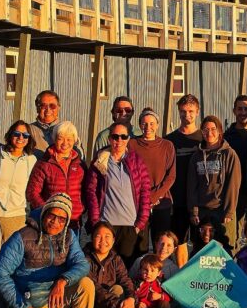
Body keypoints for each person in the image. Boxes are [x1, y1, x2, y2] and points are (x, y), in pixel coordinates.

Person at [0, 193, 96, 308]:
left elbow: (82, 264)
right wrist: (22, 307)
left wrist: (63, 280)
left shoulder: (69, 236)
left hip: (56, 296)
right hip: (30, 303)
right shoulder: (23, 237)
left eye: (62, 219)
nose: (56, 223)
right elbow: (1, 274)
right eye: (52, 216)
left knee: (86, 284)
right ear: (44, 213)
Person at [84, 122, 152, 266]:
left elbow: (145, 192)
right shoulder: (100, 161)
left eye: (123, 136)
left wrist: (140, 223)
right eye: (115, 137)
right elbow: (91, 192)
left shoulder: (137, 161)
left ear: (128, 139)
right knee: (105, 266)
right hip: (107, 224)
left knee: (128, 267)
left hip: (130, 225)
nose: (119, 140)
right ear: (109, 139)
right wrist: (96, 221)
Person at [0, 120, 38, 247]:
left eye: (25, 135)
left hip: (16, 216)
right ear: (10, 135)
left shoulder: (31, 160)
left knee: (11, 257)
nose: (21, 138)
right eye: (17, 134)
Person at [83, 222, 144, 308]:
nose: (103, 240)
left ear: (113, 239)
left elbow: (125, 280)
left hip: (110, 307)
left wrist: (131, 300)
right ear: (92, 238)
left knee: (119, 289)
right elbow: (96, 289)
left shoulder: (115, 258)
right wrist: (121, 306)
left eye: (107, 236)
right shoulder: (84, 259)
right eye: (98, 236)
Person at [187, 115, 241, 253]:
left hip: (222, 210)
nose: (209, 133)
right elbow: (192, 186)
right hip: (202, 209)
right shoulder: (196, 156)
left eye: (213, 129)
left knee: (226, 247)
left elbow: (233, 185)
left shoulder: (229, 154)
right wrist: (194, 211)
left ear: (219, 131)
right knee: (200, 247)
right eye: (205, 130)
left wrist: (229, 211)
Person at [26, 121, 86, 230]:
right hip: (51, 222)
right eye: (60, 138)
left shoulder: (80, 165)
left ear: (74, 141)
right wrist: (47, 211)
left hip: (73, 221)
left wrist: (81, 209)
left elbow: (86, 191)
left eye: (69, 139)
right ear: (54, 138)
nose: (65, 143)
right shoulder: (44, 163)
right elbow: (32, 192)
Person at [130, 108, 176, 247]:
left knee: (161, 243)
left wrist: (154, 196)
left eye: (151, 123)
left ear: (157, 125)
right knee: (139, 244)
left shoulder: (167, 145)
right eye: (144, 124)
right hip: (137, 203)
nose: (148, 127)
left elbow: (171, 175)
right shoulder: (132, 144)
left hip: (161, 202)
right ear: (139, 125)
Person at [165, 93, 202, 266]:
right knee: (179, 241)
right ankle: (181, 274)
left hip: (199, 199)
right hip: (177, 198)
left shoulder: (204, 138)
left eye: (191, 111)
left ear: (197, 112)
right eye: (183, 111)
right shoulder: (170, 140)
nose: (187, 115)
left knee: (200, 241)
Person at [223, 95, 247, 236]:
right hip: (234, 192)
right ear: (234, 111)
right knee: (233, 235)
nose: (243, 112)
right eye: (240, 109)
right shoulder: (226, 138)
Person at [28, 90, 75, 158]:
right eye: (43, 106)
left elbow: (78, 157)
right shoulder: (28, 130)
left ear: (58, 107)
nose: (48, 110)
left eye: (52, 106)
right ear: (37, 108)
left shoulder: (68, 129)